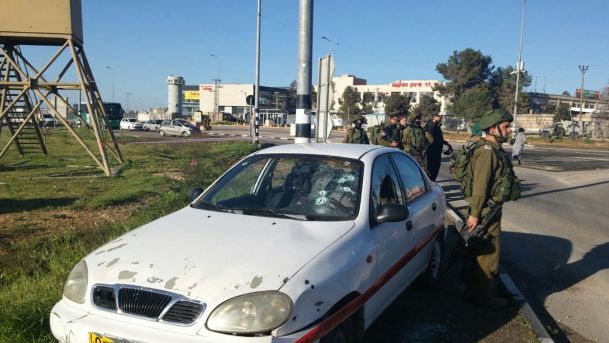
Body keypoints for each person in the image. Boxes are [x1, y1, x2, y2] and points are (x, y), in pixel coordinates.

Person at [464, 110, 520, 309]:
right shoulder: (487, 152)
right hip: (486, 212)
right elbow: (480, 186)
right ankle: (484, 296)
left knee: (478, 252)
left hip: (488, 210)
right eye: (505, 127)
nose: (509, 130)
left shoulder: (494, 149)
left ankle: (474, 291)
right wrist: (474, 215)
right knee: (489, 255)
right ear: (493, 128)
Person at [425, 113, 453, 181]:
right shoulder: (429, 125)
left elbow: (439, 138)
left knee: (436, 169)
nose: (440, 120)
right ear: (434, 118)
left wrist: (447, 144)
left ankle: (433, 182)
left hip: (438, 152)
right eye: (438, 119)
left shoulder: (437, 127)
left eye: (440, 119)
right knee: (430, 170)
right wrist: (435, 123)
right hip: (431, 152)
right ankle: (429, 182)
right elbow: (430, 131)